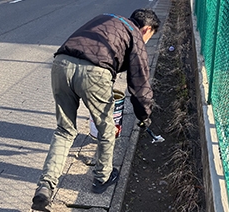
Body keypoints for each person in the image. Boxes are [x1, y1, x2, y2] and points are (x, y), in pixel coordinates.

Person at [31, 8, 161, 211]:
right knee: (106, 128)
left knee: (64, 130)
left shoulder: (106, 18)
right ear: (146, 29)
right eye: (150, 37)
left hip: (61, 63)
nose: (146, 42)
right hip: (94, 72)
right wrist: (144, 115)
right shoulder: (136, 34)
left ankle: (45, 186)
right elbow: (140, 81)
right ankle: (102, 177)